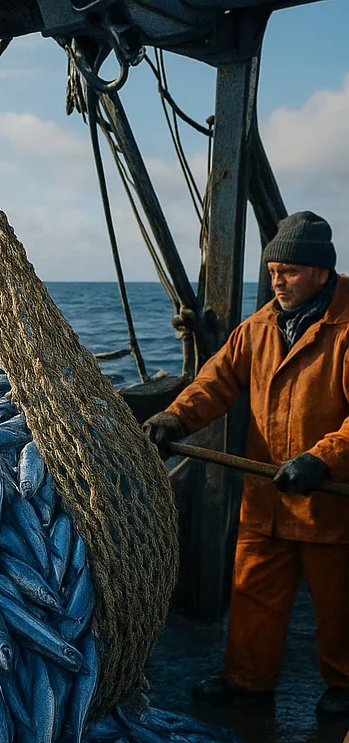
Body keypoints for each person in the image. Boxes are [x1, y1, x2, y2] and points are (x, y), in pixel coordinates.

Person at [143, 211, 349, 717]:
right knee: (254, 594)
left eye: (291, 271)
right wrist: (173, 419)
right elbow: (215, 384)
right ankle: (248, 683)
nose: (278, 281)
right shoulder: (256, 329)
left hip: (330, 504)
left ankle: (344, 686)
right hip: (267, 498)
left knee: (341, 607)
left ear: (323, 272)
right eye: (273, 270)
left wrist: (321, 460)